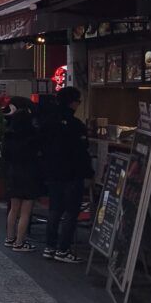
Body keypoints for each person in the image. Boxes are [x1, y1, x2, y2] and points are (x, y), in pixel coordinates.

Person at [40, 86, 93, 263]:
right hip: (72, 174)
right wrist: (88, 172)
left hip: (53, 172)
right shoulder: (75, 125)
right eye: (78, 101)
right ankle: (63, 249)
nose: (79, 104)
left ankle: (49, 247)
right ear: (72, 102)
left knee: (55, 209)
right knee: (71, 211)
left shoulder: (47, 121)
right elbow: (81, 151)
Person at [2, 108, 41, 253]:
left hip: (13, 173)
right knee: (25, 211)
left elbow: (5, 156)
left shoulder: (9, 136)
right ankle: (19, 242)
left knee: (13, 208)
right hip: (29, 173)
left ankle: (9, 237)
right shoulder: (33, 136)